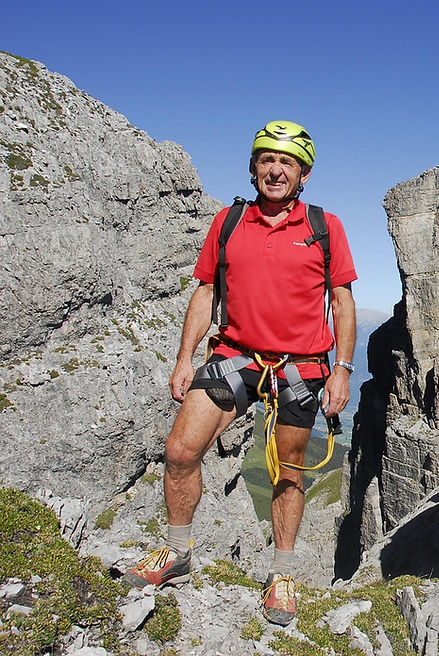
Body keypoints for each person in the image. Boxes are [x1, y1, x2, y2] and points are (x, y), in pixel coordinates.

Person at [122, 120, 357, 626]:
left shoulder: (324, 226)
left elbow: (341, 299)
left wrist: (342, 369)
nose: (276, 169)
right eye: (268, 160)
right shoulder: (229, 222)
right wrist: (185, 357)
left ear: (304, 175)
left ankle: (283, 573)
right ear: (253, 168)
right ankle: (177, 550)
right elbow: (205, 292)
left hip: (301, 365)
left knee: (288, 469)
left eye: (288, 162)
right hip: (235, 355)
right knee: (180, 450)